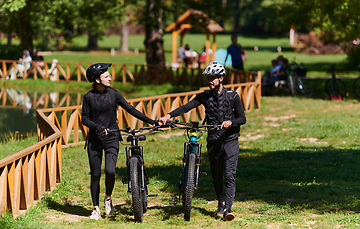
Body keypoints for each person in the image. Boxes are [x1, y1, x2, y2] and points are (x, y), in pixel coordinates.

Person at [158, 62, 246, 221]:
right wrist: (168, 116)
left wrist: (231, 122)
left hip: (230, 140)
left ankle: (228, 209)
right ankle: (221, 202)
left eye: (213, 78)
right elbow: (186, 107)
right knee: (216, 176)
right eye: (208, 78)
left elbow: (242, 118)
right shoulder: (204, 96)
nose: (210, 81)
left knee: (229, 174)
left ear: (221, 78)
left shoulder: (233, 96)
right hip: (213, 141)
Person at [82, 63, 157, 220]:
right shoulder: (88, 97)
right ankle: (96, 208)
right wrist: (98, 127)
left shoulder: (114, 94)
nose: (110, 77)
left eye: (109, 75)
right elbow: (85, 119)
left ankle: (108, 198)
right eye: (106, 76)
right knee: (95, 174)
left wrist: (151, 121)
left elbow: (131, 109)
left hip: (112, 138)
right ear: (96, 80)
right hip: (95, 140)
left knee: (110, 171)